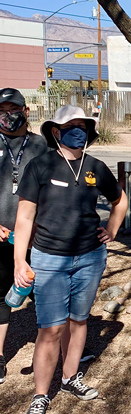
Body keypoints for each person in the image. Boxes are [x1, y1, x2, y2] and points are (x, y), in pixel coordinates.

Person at [14, 105, 128, 414]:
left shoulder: (95, 167)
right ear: (55, 130)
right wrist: (19, 261)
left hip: (89, 258)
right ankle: (40, 395)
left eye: (83, 125)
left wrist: (112, 229)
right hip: (49, 259)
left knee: (78, 322)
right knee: (50, 329)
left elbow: (120, 200)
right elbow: (25, 217)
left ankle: (69, 377)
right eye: (71, 125)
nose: (78, 130)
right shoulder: (40, 166)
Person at [0, 88, 49, 385]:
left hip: (35, 237)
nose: (8, 115)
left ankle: (61, 347)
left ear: (26, 111)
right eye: (2, 110)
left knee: (46, 294)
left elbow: (52, 189)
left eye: (13, 108)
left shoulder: (42, 146)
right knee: (0, 298)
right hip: (1, 237)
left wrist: (38, 228)